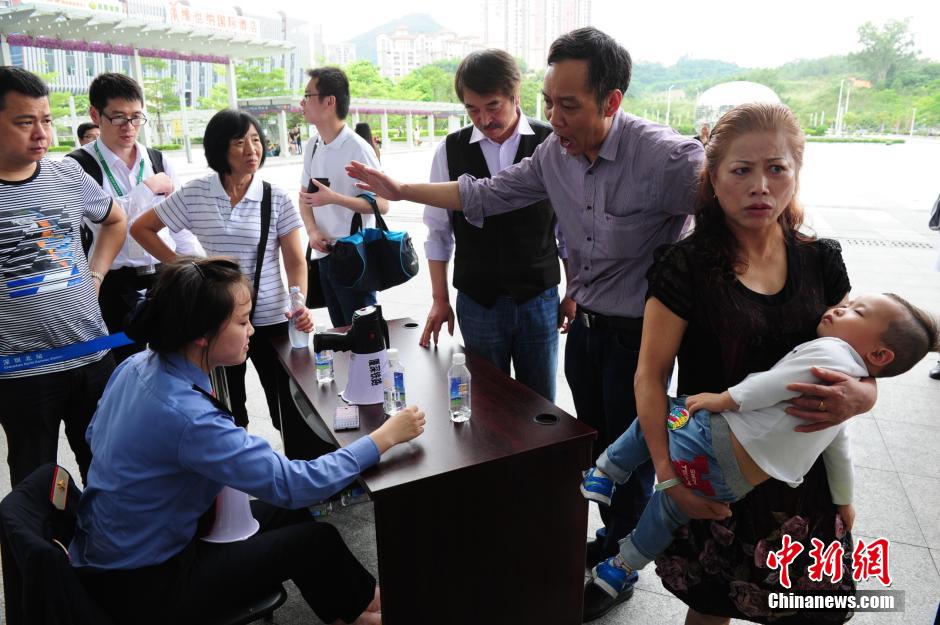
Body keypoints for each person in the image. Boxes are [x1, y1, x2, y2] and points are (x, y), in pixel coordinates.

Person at [346, 29, 705, 616]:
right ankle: (611, 536)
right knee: (593, 442)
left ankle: (623, 568)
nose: (554, 119)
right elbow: (487, 195)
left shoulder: (665, 158)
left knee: (633, 448)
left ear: (611, 101)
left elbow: (740, 208)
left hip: (640, 335)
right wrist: (401, 188)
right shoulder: (554, 155)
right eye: (549, 103)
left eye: (569, 106)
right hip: (585, 327)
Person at [621, 102, 878, 624]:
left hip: (801, 478)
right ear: (713, 178)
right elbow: (650, 376)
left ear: (796, 174)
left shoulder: (821, 259)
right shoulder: (685, 266)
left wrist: (865, 395)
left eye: (777, 168)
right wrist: (670, 481)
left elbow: (861, 359)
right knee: (712, 606)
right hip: (713, 474)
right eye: (741, 170)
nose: (761, 185)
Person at [69, 257, 426, 625]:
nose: (252, 331)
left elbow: (95, 434)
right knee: (314, 541)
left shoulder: (138, 365)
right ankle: (362, 613)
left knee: (290, 514)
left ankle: (358, 605)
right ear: (201, 333)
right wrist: (382, 438)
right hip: (148, 582)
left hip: (110, 546)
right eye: (242, 322)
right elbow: (294, 483)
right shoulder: (187, 414)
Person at [582, 293, 938, 599]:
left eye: (856, 312)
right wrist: (844, 499)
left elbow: (775, 382)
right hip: (731, 484)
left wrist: (725, 399)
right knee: (668, 511)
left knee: (665, 414)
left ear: (879, 355)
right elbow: (839, 448)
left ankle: (606, 472)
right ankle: (621, 567)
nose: (839, 309)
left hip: (709, 440)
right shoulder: (841, 399)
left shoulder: (833, 352)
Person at [130, 109, 315, 457]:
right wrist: (192, 271)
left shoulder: (275, 197)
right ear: (220, 148)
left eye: (256, 140)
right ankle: (233, 474)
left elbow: (294, 258)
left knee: (286, 403)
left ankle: (298, 470)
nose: (252, 149)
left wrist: (297, 300)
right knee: (227, 406)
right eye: (240, 141)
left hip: (272, 316)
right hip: (218, 319)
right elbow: (141, 228)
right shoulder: (197, 193)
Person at [0, 66, 126, 486]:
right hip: (22, 373)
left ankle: (111, 551)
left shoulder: (67, 175)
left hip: (93, 355)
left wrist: (96, 272)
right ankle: (41, 553)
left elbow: (114, 219)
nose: (41, 133)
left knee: (110, 468)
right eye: (24, 122)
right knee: (36, 485)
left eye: (46, 120)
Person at [421, 49, 563, 401]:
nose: (483, 118)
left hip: (538, 298)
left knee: (540, 402)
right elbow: (438, 231)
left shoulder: (552, 143)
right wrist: (440, 298)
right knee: (487, 402)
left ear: (516, 95)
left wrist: (574, 291)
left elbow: (568, 227)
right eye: (472, 109)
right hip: (478, 301)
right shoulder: (450, 151)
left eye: (492, 105)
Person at [69, 72, 202, 364]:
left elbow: (180, 224)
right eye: (118, 118)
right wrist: (146, 190)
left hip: (163, 277)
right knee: (123, 366)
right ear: (95, 114)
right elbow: (104, 220)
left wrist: (194, 267)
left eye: (136, 117)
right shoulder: (78, 165)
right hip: (113, 285)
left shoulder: (157, 160)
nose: (129, 127)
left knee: (174, 363)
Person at [297, 67, 388, 327]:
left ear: (329, 101)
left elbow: (383, 204)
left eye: (308, 95)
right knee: (341, 333)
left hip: (355, 259)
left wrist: (335, 198)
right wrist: (313, 232)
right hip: (325, 256)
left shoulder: (358, 148)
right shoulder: (313, 145)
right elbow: (304, 197)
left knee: (365, 338)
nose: (302, 103)